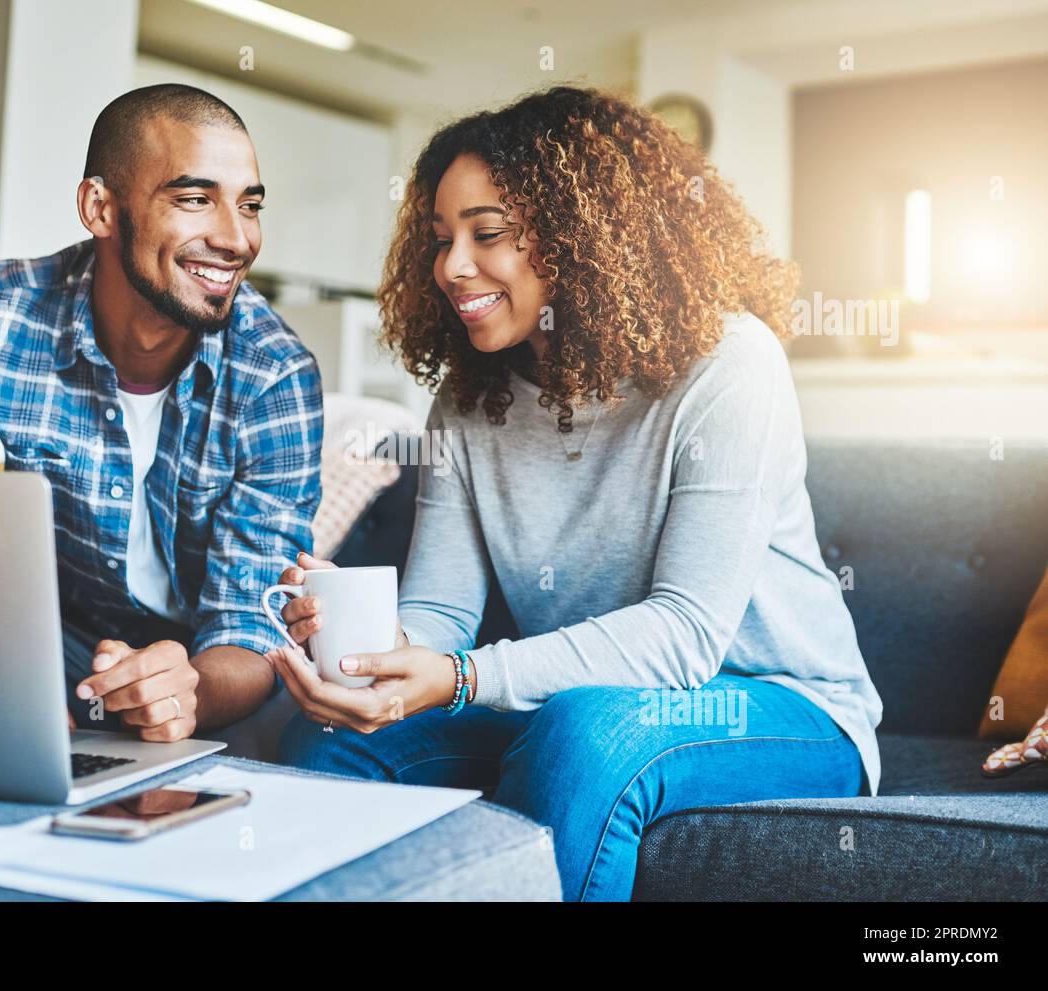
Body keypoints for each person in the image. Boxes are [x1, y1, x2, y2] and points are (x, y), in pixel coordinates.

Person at [266, 86, 883, 902]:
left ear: (585, 237)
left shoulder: (731, 364)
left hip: (788, 707)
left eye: (487, 234)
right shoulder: (467, 395)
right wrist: (363, 648)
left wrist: (459, 679)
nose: (452, 266)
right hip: (579, 702)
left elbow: (684, 637)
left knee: (589, 730)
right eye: (441, 239)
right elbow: (441, 616)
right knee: (332, 745)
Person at [0, 84, 322, 743]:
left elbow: (249, 629)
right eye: (195, 199)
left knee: (276, 717)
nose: (236, 238)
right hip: (59, 636)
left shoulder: (273, 373)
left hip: (208, 660)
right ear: (100, 207)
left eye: (249, 205)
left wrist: (181, 691)